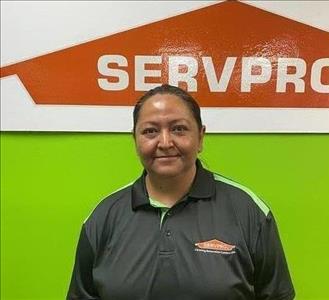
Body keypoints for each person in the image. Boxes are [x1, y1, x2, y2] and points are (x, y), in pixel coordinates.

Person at [67, 84, 295, 300]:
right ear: (135, 139)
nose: (165, 142)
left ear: (201, 137)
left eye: (178, 129)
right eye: (150, 131)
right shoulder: (103, 216)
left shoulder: (248, 211)